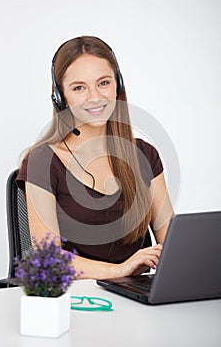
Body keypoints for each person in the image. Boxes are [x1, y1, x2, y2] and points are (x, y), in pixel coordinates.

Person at [16, 35, 174, 280]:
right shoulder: (42, 162)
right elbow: (49, 258)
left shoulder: (145, 155)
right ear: (60, 97)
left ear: (118, 85)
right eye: (79, 88)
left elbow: (172, 245)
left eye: (103, 83)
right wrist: (119, 270)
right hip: (76, 298)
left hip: (136, 298)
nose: (95, 97)